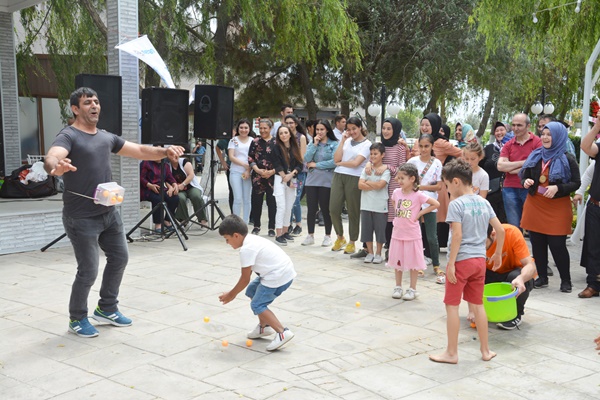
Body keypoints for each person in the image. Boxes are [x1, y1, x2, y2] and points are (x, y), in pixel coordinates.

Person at [44, 87, 184, 338]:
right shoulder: (69, 135)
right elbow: (52, 156)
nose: (94, 106)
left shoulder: (106, 137)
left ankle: (107, 308)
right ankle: (77, 317)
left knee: (120, 258)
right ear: (75, 109)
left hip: (108, 212)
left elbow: (139, 151)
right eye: (87, 103)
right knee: (88, 270)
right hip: (81, 216)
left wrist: (165, 151)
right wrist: (56, 166)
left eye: (96, 101)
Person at [429, 159, 504, 364]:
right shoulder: (484, 201)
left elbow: (458, 236)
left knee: (452, 306)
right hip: (480, 261)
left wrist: (450, 263)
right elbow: (500, 230)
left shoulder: (456, 204)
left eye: (445, 185)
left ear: (455, 182)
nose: (445, 189)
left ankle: (452, 353)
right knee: (478, 305)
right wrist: (497, 254)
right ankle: (486, 350)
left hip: (462, 261)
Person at [218, 214, 296, 351]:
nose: (227, 243)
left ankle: (282, 332)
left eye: (227, 239)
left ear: (236, 235)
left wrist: (231, 294)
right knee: (252, 291)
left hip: (277, 276)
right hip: (281, 271)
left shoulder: (246, 249)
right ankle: (263, 328)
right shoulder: (251, 239)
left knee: (258, 304)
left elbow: (245, 279)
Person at [520, 121, 580, 292]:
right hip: (535, 204)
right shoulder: (536, 155)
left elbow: (577, 182)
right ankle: (542, 278)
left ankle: (566, 280)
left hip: (557, 207)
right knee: (537, 244)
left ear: (558, 137)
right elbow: (524, 175)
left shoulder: (568, 158)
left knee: (557, 245)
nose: (545, 137)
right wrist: (527, 182)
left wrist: (558, 188)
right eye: (543, 134)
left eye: (549, 134)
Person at [467, 224, 536, 330]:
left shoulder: (511, 233)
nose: (478, 246)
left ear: (493, 234)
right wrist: (472, 310)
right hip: (490, 273)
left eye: (482, 242)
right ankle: (482, 311)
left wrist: (521, 279)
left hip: (513, 273)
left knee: (516, 277)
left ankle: (515, 314)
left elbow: (530, 265)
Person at [388, 163, 439, 300]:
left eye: (402, 178)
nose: (399, 181)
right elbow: (393, 202)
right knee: (398, 262)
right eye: (398, 178)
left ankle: (412, 288)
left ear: (412, 179)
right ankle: (398, 287)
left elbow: (436, 204)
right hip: (398, 233)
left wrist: (419, 213)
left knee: (413, 263)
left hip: (412, 234)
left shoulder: (418, 195)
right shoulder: (396, 192)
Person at [360, 117, 409, 260]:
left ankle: (390, 248)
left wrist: (387, 167)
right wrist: (369, 164)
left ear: (396, 130)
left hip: (393, 186)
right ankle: (368, 249)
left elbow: (402, 168)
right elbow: (372, 158)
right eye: (384, 128)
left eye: (389, 129)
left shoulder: (400, 148)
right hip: (377, 188)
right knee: (375, 216)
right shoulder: (379, 145)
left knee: (390, 219)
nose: (386, 131)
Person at [329, 116, 372, 254]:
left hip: (354, 177)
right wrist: (342, 141)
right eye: (349, 129)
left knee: (353, 210)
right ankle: (340, 237)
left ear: (360, 128)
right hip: (338, 176)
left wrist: (341, 163)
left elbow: (356, 163)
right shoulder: (346, 141)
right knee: (333, 208)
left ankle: (352, 241)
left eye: (354, 128)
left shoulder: (367, 144)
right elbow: (336, 158)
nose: (352, 132)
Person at [497, 113, 542, 229]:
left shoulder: (537, 142)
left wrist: (511, 167)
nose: (515, 128)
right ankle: (516, 248)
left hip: (530, 187)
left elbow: (538, 166)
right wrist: (526, 163)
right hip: (510, 188)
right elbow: (501, 166)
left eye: (519, 125)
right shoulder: (508, 144)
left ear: (528, 126)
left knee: (532, 225)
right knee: (514, 227)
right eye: (513, 125)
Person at [407, 134, 443, 280]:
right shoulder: (412, 162)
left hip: (430, 202)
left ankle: (436, 264)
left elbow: (439, 186)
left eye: (426, 146)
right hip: (414, 202)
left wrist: (420, 186)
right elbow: (403, 179)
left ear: (432, 146)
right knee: (416, 236)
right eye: (421, 146)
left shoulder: (437, 163)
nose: (423, 149)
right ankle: (417, 265)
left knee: (431, 236)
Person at [302, 119, 338, 246]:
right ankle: (310, 235)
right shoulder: (313, 143)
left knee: (325, 209)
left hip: (326, 181)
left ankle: (327, 236)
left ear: (327, 130)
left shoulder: (334, 144)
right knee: (311, 209)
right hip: (312, 180)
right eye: (317, 129)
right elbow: (306, 159)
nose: (319, 132)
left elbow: (334, 162)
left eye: (322, 129)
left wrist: (316, 164)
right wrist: (314, 145)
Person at [270, 125, 303, 245]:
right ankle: (278, 234)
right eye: (281, 133)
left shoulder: (295, 147)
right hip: (280, 179)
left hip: (291, 179)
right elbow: (277, 164)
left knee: (289, 206)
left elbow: (300, 165)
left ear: (290, 134)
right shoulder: (276, 148)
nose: (283, 135)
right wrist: (285, 178)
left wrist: (292, 175)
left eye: (285, 132)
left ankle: (285, 232)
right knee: (281, 206)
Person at [358, 143, 391, 264]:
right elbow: (360, 185)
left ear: (382, 155)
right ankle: (370, 252)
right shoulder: (366, 169)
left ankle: (378, 253)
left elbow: (380, 185)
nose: (372, 156)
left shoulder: (386, 171)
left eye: (375, 154)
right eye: (371, 154)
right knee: (366, 229)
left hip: (380, 205)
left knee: (380, 230)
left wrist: (368, 182)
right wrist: (371, 183)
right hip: (366, 204)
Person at [579, 118, 600, 299]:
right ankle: (593, 284)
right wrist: (598, 125)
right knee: (593, 246)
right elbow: (586, 147)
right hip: (596, 205)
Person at [248, 119, 277, 237]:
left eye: (265, 128)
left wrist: (272, 172)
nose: (263, 130)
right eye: (261, 128)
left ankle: (271, 227)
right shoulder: (255, 141)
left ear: (270, 128)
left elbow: (282, 160)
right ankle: (256, 226)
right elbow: (250, 158)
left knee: (272, 202)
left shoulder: (276, 142)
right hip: (257, 175)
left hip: (273, 176)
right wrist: (257, 170)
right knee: (256, 201)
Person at [140, 159, 180, 232]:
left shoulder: (165, 165)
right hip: (147, 188)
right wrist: (150, 185)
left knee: (174, 198)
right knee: (158, 199)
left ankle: (167, 220)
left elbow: (170, 178)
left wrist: (174, 185)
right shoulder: (146, 163)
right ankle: (158, 224)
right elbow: (141, 177)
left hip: (160, 189)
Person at [284, 114, 308, 236]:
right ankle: (288, 224)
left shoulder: (301, 137)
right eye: (287, 123)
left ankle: (298, 224)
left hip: (299, 172)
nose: (289, 125)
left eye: (291, 123)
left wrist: (293, 168)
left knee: (296, 199)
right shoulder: (283, 136)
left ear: (296, 124)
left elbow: (303, 157)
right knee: (287, 199)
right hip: (285, 172)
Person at [480, 121, 508, 222]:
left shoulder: (513, 147)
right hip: (491, 191)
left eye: (502, 130)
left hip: (508, 191)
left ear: (507, 131)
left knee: (506, 222)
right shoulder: (488, 148)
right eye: (497, 130)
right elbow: (480, 165)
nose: (499, 132)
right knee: (491, 222)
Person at [168, 156, 208, 226]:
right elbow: (167, 179)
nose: (175, 156)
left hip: (191, 187)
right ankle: (184, 219)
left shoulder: (184, 162)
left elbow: (191, 175)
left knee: (196, 196)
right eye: (172, 155)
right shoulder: (167, 166)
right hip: (179, 189)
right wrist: (172, 187)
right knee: (180, 198)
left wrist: (183, 184)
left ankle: (202, 219)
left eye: (177, 154)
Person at [228, 119, 253, 223]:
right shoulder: (233, 140)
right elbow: (231, 157)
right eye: (241, 127)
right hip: (235, 172)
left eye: (246, 128)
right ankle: (236, 223)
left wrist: (248, 169)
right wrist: (244, 165)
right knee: (237, 198)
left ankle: (245, 222)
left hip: (249, 173)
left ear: (249, 129)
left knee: (247, 199)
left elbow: (254, 157)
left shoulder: (253, 140)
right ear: (238, 129)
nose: (243, 130)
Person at [216, 135, 233, 213]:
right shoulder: (228, 139)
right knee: (232, 191)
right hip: (232, 168)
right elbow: (218, 147)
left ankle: (251, 216)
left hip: (246, 168)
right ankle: (233, 214)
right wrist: (223, 162)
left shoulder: (250, 137)